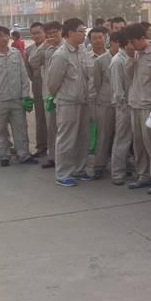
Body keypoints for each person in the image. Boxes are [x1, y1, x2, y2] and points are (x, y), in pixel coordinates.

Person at [0, 26, 37, 167]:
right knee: (0, 130)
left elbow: (23, 75)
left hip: (16, 98)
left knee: (21, 128)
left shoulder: (16, 53)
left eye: (7, 35)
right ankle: (4, 155)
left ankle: (23, 154)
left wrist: (25, 94)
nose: (5, 38)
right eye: (1, 36)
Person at [47, 18, 93, 187]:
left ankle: (79, 169)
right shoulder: (61, 55)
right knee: (66, 138)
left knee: (83, 137)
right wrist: (64, 95)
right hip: (68, 103)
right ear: (70, 33)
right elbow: (53, 83)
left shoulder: (82, 51)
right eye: (81, 31)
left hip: (83, 101)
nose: (84, 35)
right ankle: (63, 173)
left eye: (84, 31)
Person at [125, 23, 151, 191]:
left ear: (142, 38)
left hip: (150, 105)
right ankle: (143, 175)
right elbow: (128, 76)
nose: (130, 45)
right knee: (138, 143)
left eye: (132, 41)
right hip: (135, 103)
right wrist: (130, 58)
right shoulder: (134, 54)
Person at [90, 27, 117, 180]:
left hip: (121, 103)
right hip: (105, 101)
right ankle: (99, 165)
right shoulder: (100, 61)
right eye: (115, 42)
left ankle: (119, 164)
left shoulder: (126, 58)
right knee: (104, 134)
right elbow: (97, 83)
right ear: (111, 42)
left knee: (120, 135)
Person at [109, 31, 134, 185]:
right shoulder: (118, 61)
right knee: (122, 139)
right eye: (132, 42)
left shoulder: (132, 57)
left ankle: (128, 166)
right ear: (126, 44)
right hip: (124, 106)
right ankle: (117, 173)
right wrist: (123, 106)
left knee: (132, 141)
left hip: (135, 104)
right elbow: (118, 89)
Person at [36, 21, 63, 169]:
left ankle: (65, 158)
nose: (53, 36)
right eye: (49, 33)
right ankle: (52, 157)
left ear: (61, 31)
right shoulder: (46, 49)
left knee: (64, 128)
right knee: (51, 127)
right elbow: (33, 62)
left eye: (55, 32)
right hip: (49, 95)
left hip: (65, 95)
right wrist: (43, 46)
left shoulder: (67, 48)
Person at [24, 22, 49, 157]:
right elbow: (28, 72)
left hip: (52, 87)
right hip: (38, 87)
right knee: (40, 117)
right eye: (33, 33)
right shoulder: (28, 51)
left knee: (54, 119)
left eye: (39, 32)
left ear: (44, 33)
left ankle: (54, 146)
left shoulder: (51, 47)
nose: (36, 36)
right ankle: (41, 145)